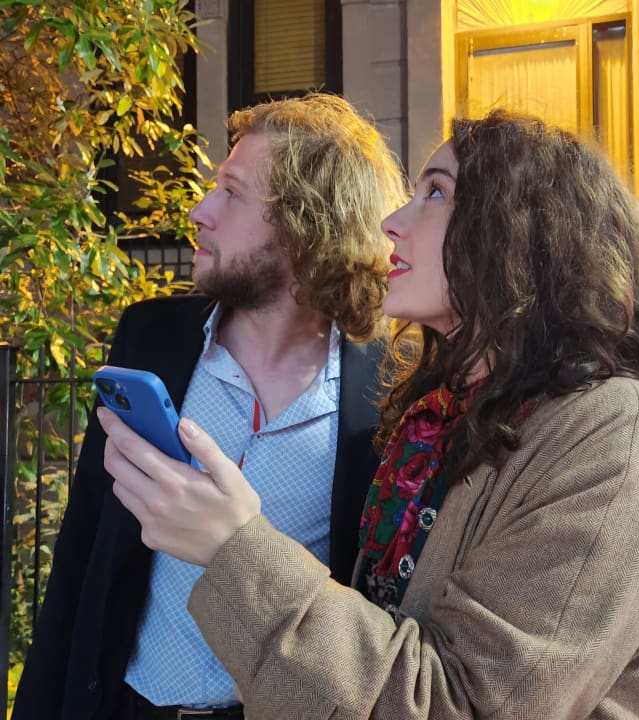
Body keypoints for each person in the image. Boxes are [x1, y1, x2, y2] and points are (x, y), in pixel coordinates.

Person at [99, 110, 639, 719]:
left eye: (436, 193)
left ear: (523, 231)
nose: (391, 222)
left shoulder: (623, 437)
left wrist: (234, 549)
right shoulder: (438, 417)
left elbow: (464, 704)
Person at [11, 93, 407, 720]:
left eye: (231, 193)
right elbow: (84, 547)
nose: (199, 211)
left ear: (307, 227)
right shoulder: (151, 339)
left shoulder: (386, 389)